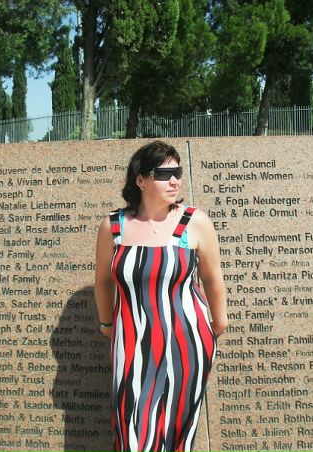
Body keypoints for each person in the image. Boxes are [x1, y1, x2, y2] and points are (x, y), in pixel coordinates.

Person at [94, 140, 228, 452]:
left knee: (179, 435)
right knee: (133, 435)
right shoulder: (113, 226)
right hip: (132, 347)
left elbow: (212, 278)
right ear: (140, 180)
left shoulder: (194, 222)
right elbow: (103, 281)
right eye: (164, 174)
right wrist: (106, 324)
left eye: (177, 173)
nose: (175, 181)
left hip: (187, 345)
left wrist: (218, 323)